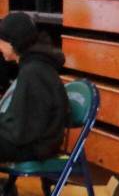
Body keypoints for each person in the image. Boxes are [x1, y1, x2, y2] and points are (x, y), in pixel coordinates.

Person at [0, 12, 69, 163]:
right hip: (32, 141)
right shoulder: (33, 66)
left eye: (1, 41)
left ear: (12, 42)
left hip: (35, 147)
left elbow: (22, 130)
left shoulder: (34, 72)